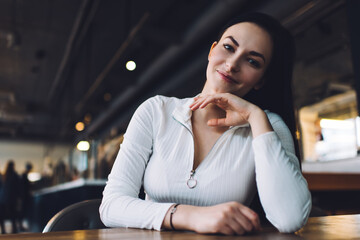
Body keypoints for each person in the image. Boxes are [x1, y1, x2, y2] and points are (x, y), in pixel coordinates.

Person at [100, 12, 312, 235]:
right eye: (229, 48)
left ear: (261, 80)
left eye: (252, 61)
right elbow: (111, 206)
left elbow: (291, 218)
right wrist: (189, 216)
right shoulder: (156, 111)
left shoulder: (267, 125)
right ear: (212, 51)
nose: (231, 65)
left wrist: (255, 117)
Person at [0, 160, 20, 233]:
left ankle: (3, 230)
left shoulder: (4, 175)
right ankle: (14, 230)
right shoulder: (14, 175)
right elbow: (18, 187)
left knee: (2, 216)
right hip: (11, 199)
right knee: (13, 215)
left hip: (2, 199)